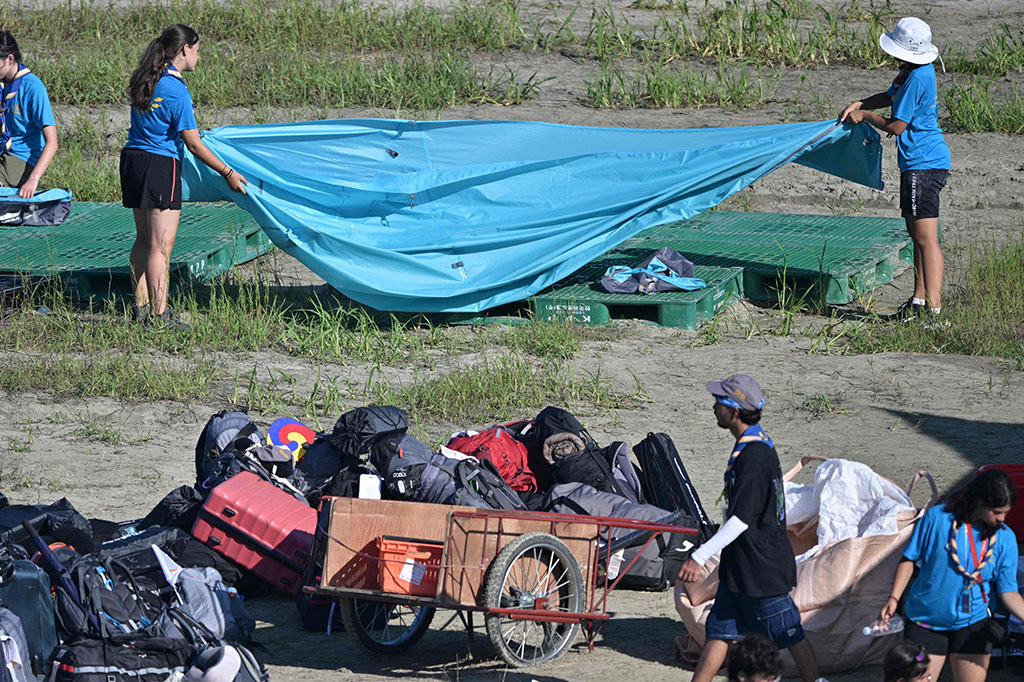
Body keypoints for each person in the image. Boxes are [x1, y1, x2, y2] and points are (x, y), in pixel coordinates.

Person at [678, 374, 824, 682]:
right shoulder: (753, 445)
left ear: (733, 411)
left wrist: (700, 556)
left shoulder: (754, 457)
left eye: (719, 402)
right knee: (720, 634)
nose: (713, 407)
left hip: (761, 570)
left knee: (789, 633)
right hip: (740, 570)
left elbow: (742, 520)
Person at [122, 24, 248, 328]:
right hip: (159, 165)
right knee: (160, 247)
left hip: (133, 160)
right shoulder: (177, 90)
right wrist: (228, 172)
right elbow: (193, 142)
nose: (199, 57)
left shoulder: (147, 77)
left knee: (142, 240)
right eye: (198, 50)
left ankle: (140, 309)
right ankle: (160, 314)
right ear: (184, 50)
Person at [839, 17, 950, 320]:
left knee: (927, 238)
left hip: (924, 164)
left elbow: (898, 126)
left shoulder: (918, 77)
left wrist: (864, 117)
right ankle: (918, 299)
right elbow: (889, 97)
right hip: (917, 164)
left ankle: (934, 311)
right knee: (916, 233)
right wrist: (860, 102)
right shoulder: (909, 71)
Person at [880, 468, 1024, 682]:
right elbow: (909, 559)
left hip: (973, 626)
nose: (1002, 519)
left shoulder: (1005, 539)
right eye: (996, 512)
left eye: (1006, 512)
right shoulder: (937, 519)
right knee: (917, 678)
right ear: (979, 502)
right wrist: (894, 598)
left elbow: (1009, 591)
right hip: (925, 624)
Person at [0, 31, 58, 198]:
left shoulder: (33, 88)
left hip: (22, 155)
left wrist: (33, 179)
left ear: (9, 59)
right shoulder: (2, 84)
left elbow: (52, 142)